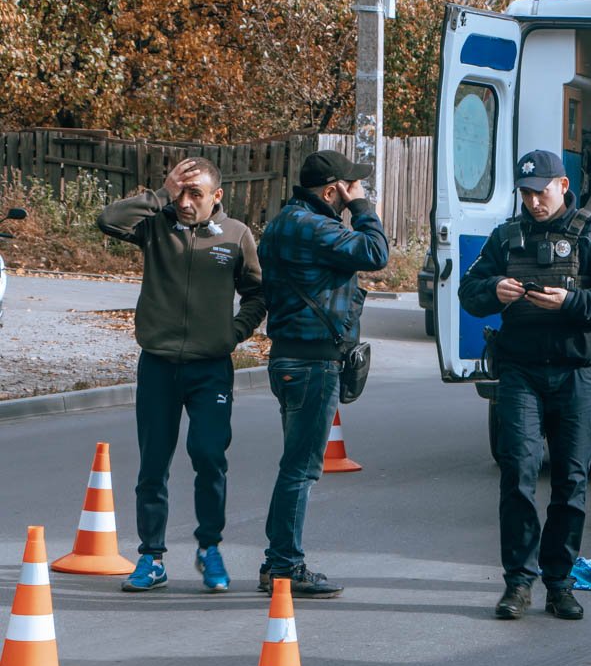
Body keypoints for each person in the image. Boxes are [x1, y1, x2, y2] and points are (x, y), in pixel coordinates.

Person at [460, 150, 591, 621]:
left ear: (562, 184)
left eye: (541, 190)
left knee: (571, 480)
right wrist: (492, 290)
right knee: (517, 476)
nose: (534, 200)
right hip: (519, 373)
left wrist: (573, 301)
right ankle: (518, 582)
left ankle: (559, 581)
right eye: (526, 192)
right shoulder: (506, 237)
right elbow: (468, 291)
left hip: (577, 372)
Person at [97, 158, 265, 593]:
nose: (186, 202)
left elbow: (257, 293)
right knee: (153, 465)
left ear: (217, 197)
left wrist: (235, 331)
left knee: (209, 455)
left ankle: (210, 548)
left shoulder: (237, 236)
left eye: (196, 194)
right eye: (181, 193)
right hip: (158, 365)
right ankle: (151, 558)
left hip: (210, 369)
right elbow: (107, 220)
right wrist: (159, 193)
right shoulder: (156, 225)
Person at [256, 150, 389, 598]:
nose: (356, 191)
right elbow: (375, 253)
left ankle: (275, 562)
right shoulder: (315, 228)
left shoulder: (283, 222)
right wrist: (363, 208)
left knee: (293, 465)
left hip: (290, 358)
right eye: (350, 186)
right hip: (312, 362)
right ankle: (285, 567)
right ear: (333, 190)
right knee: (301, 470)